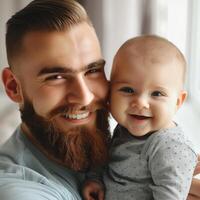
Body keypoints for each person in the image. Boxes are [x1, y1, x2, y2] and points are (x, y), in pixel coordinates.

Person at [0, 0, 199, 199]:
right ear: (13, 87)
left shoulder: (116, 143)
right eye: (56, 77)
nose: (85, 96)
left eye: (93, 70)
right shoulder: (18, 191)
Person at [82, 35, 198, 200]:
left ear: (177, 102)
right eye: (128, 90)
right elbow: (108, 159)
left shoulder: (169, 146)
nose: (141, 103)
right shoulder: (124, 128)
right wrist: (96, 180)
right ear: (109, 93)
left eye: (157, 93)